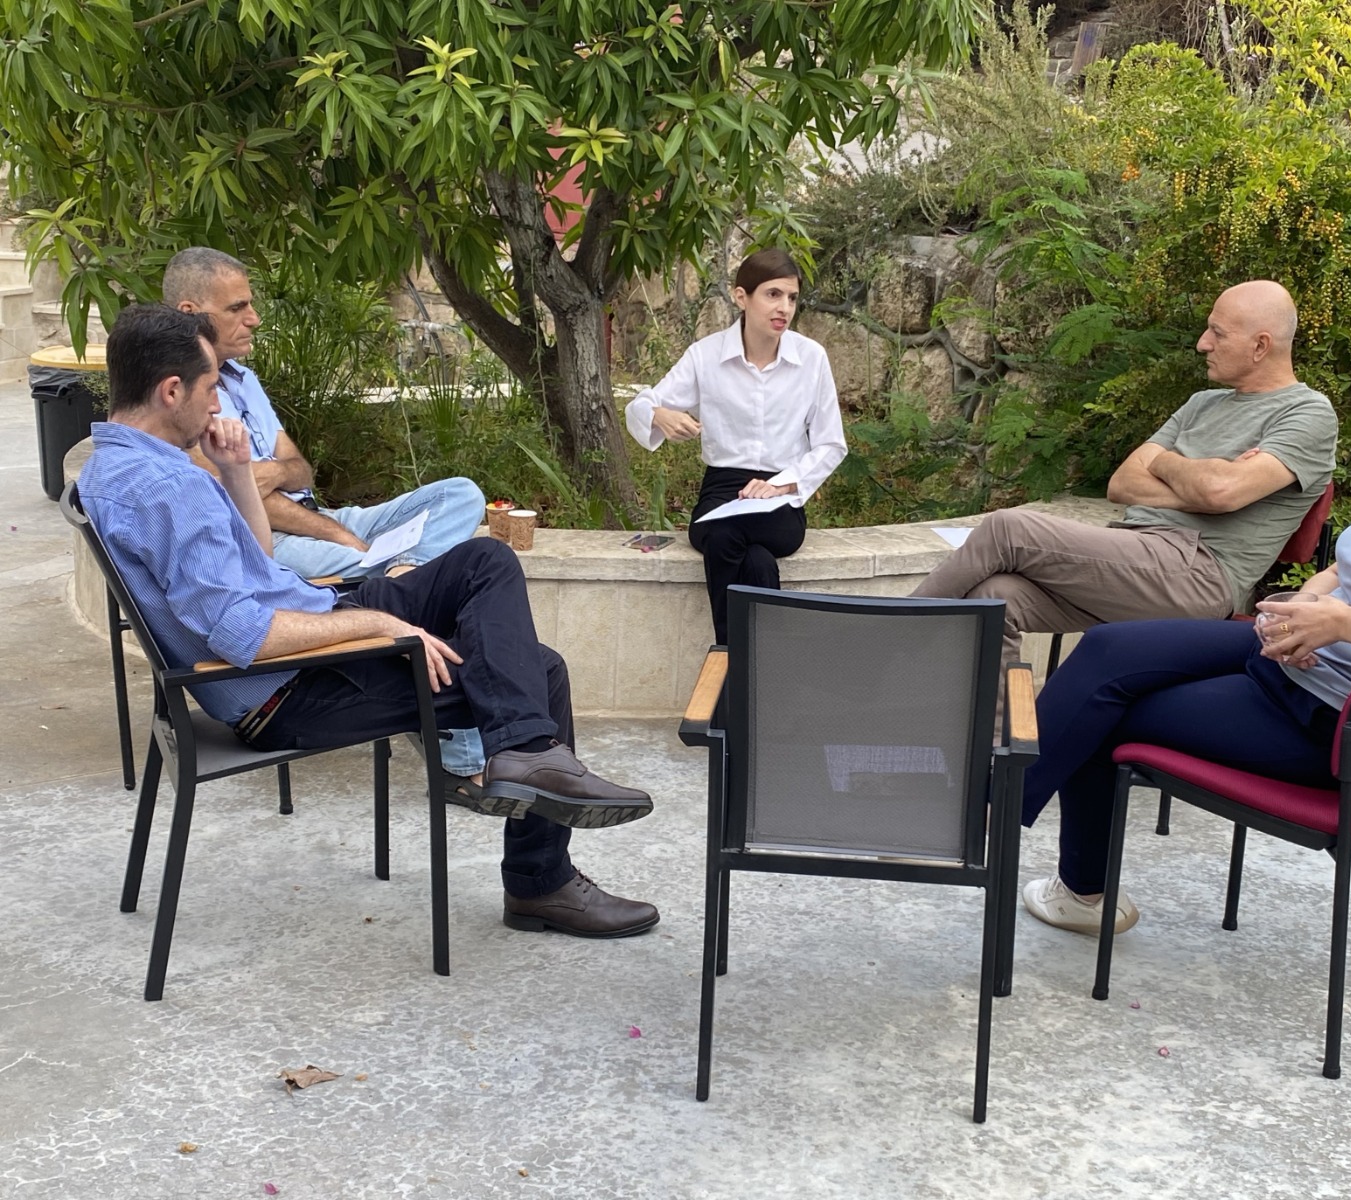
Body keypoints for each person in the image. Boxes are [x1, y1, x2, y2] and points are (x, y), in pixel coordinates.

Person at [79, 304, 661, 938]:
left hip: (307, 624)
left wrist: (237, 470)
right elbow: (245, 635)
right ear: (171, 391)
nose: (218, 403)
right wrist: (383, 628)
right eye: (212, 386)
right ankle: (538, 875)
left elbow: (258, 563)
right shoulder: (168, 489)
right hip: (291, 689)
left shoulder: (116, 465)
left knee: (484, 562)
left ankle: (523, 756)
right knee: (538, 673)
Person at [1018, 329, 1351, 936]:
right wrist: (1307, 602)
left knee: (1102, 714)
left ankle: (1047, 867)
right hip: (1297, 662)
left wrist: (1343, 623)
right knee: (1108, 650)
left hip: (1330, 722)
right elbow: (1350, 569)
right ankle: (995, 803)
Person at [162, 247, 490, 787]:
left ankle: (404, 572)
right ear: (190, 312)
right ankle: (463, 756)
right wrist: (332, 530)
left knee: (460, 495)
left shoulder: (242, 380)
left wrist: (268, 475)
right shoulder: (183, 399)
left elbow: (299, 468)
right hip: (279, 545)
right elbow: (241, 503)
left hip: (317, 517)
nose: (254, 318)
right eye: (238, 307)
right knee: (476, 577)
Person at [913, 280, 1338, 668]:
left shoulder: (1307, 413)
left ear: (1260, 346)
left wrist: (1164, 463)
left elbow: (1220, 491)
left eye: (1217, 333)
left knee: (1008, 529)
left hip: (1198, 575)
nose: (1202, 343)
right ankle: (1002, 729)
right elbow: (1122, 484)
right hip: (1134, 554)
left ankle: (887, 637)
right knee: (993, 599)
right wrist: (1198, 483)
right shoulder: (1201, 404)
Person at [624, 248, 847, 644]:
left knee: (722, 535)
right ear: (741, 297)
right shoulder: (706, 356)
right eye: (773, 294)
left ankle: (726, 656)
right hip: (722, 489)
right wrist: (659, 415)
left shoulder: (811, 358)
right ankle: (759, 665)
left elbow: (831, 444)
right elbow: (640, 404)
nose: (784, 307)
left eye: (792, 297)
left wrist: (780, 484)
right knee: (756, 561)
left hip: (781, 500)